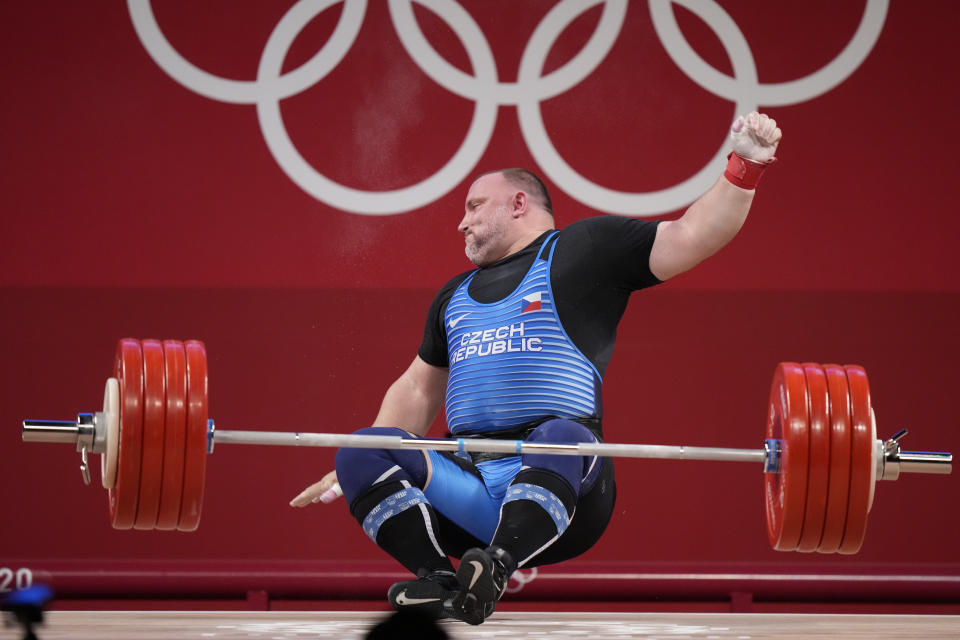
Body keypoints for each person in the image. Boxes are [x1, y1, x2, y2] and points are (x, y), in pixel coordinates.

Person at [291, 112, 783, 625]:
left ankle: (497, 569)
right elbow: (417, 387)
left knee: (559, 434)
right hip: (472, 487)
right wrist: (376, 456)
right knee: (360, 449)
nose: (462, 222)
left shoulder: (582, 251)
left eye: (475, 206)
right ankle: (443, 582)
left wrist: (746, 164)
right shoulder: (453, 297)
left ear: (519, 203)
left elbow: (692, 234)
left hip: (569, 486)